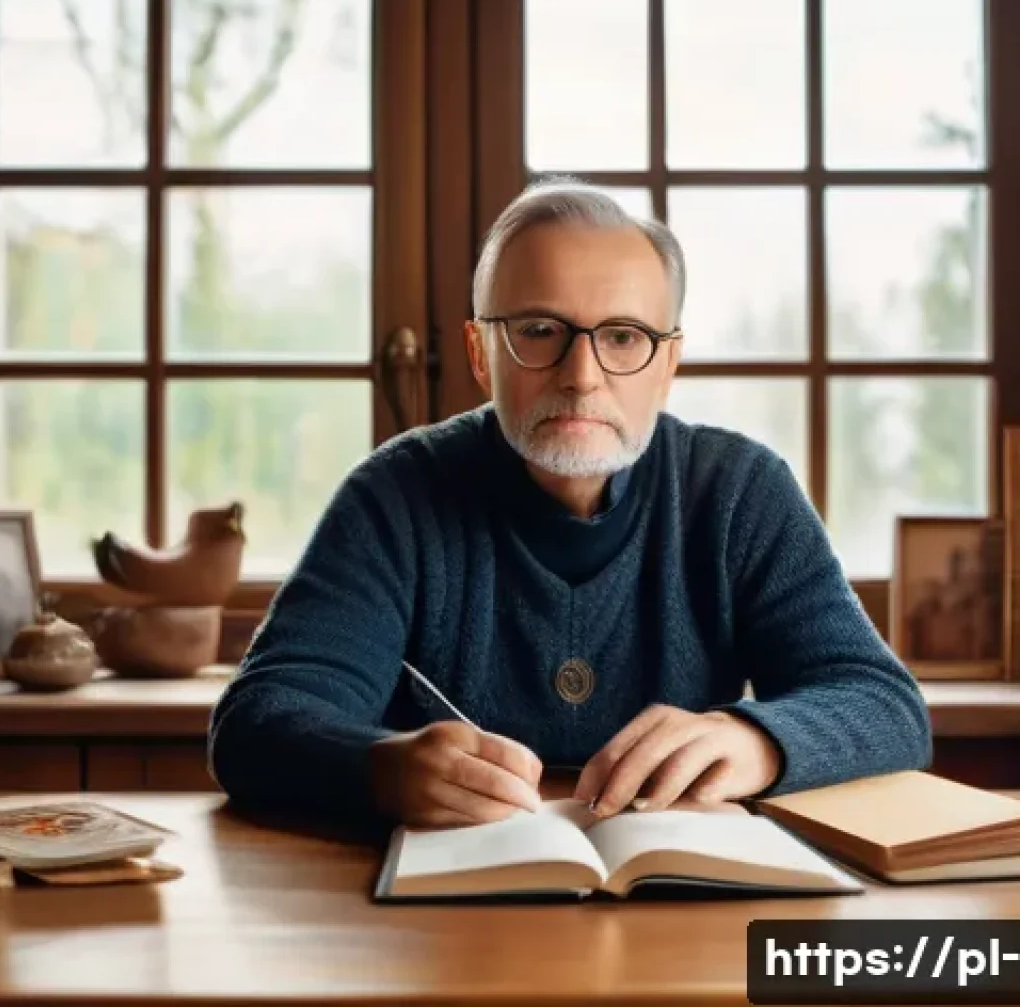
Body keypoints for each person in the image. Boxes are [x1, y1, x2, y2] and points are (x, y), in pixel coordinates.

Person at [208, 180, 932, 829]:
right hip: (441, 925)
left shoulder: (740, 490)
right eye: (539, 332)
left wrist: (761, 740)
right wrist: (380, 768)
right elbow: (257, 723)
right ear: (478, 350)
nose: (582, 376)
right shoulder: (395, 496)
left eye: (624, 337)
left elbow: (886, 707)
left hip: (681, 913)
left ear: (669, 364)